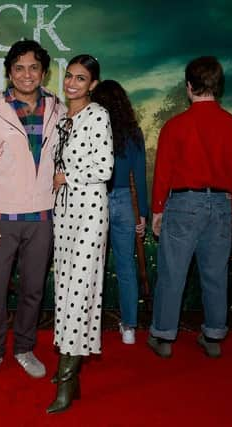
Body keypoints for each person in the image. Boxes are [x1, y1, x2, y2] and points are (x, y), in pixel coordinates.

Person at [0, 39, 64, 382]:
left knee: (34, 290)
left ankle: (24, 348)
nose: (27, 75)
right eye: (19, 68)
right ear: (10, 72)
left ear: (43, 71)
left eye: (34, 67)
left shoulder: (59, 109)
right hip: (1, 220)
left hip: (42, 217)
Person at [148, 56, 232, 359]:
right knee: (216, 273)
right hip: (221, 204)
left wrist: (157, 210)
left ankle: (164, 337)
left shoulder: (175, 126)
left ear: (189, 87)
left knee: (172, 273)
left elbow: (163, 172)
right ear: (218, 86)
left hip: (183, 204)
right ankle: (214, 335)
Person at [48, 54, 113, 413]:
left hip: (89, 210)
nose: (72, 83)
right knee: (65, 289)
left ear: (93, 85)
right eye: (69, 76)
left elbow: (105, 166)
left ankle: (67, 379)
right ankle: (69, 371)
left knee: (79, 290)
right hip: (65, 212)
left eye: (81, 78)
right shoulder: (63, 118)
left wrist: (67, 177)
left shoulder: (98, 115)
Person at [91, 80, 148, 345]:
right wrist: (143, 214)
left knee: (92, 268)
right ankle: (129, 328)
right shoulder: (133, 132)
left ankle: (90, 326)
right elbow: (140, 175)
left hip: (95, 198)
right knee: (126, 266)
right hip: (126, 200)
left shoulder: (91, 126)